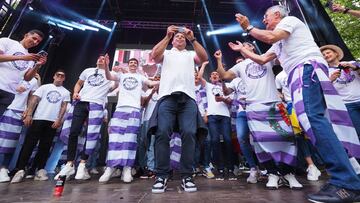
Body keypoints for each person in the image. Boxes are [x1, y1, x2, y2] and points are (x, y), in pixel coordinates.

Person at [232, 5, 360, 202]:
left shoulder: (289, 21)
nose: (264, 21)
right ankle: (349, 173)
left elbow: (270, 37)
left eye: (266, 17)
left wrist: (249, 28)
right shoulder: (280, 42)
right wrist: (243, 50)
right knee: (314, 122)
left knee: (312, 119)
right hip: (299, 74)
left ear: (277, 14)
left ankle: (346, 182)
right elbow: (262, 59)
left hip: (306, 68)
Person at [216, 45, 302, 189]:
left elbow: (283, 58)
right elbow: (224, 76)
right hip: (253, 106)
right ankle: (272, 173)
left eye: (247, 45)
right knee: (260, 141)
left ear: (253, 48)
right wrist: (218, 60)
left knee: (285, 137)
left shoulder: (266, 57)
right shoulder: (240, 66)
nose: (244, 47)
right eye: (242, 46)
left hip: (274, 104)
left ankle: (288, 173)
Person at [148, 25, 208, 193]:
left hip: (188, 98)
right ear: (173, 40)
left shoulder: (190, 54)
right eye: (177, 37)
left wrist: (193, 38)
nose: (180, 38)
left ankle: (187, 175)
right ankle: (161, 175)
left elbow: (204, 57)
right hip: (167, 97)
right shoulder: (166, 53)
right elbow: (154, 55)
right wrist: (167, 36)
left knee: (189, 133)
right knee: (162, 133)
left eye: (182, 37)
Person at [55, 55, 117, 180]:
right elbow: (78, 84)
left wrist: (109, 68)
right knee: (73, 132)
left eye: (103, 59)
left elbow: (114, 86)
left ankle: (83, 164)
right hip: (81, 102)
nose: (100, 59)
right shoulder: (87, 71)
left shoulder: (110, 74)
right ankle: (69, 163)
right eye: (99, 58)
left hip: (97, 104)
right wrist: (76, 92)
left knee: (91, 135)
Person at [99, 57, 159, 183]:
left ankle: (127, 168)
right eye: (131, 62)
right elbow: (109, 77)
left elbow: (151, 83)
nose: (133, 64)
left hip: (134, 110)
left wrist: (166, 78)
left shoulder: (140, 77)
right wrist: (106, 66)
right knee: (115, 139)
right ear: (128, 65)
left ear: (137, 66)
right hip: (120, 108)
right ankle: (110, 168)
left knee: (130, 140)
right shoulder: (122, 75)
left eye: (135, 63)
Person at [11, 70, 69, 183]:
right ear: (54, 76)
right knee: (29, 144)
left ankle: (39, 169)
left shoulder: (66, 92)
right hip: (38, 118)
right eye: (58, 75)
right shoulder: (44, 87)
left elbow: (63, 106)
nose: (60, 77)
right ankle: (20, 169)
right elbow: (34, 100)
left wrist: (59, 119)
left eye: (62, 76)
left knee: (45, 147)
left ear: (64, 79)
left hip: (52, 121)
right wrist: (29, 114)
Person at [0, 74, 40, 182]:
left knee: (10, 142)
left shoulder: (33, 81)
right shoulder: (9, 73)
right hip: (3, 105)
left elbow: (34, 96)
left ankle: (3, 168)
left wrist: (28, 111)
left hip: (16, 110)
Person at [0, 30, 47, 115]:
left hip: (9, 93)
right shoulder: (7, 42)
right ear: (26, 35)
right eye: (34, 38)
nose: (35, 42)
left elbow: (27, 78)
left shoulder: (30, 58)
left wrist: (37, 65)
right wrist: (22, 57)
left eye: (38, 41)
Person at [320, 44, 360, 137]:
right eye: (323, 55)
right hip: (348, 105)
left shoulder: (352, 63)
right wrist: (330, 79)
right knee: (358, 132)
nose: (326, 55)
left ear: (336, 53)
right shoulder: (324, 72)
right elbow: (323, 90)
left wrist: (354, 67)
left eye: (328, 52)